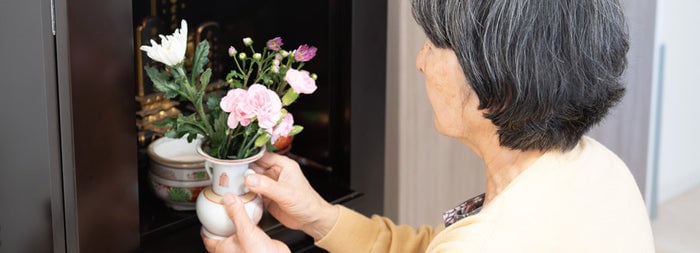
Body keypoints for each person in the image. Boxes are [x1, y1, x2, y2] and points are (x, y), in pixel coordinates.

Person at [202, 0, 655, 252]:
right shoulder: (605, 169)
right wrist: (321, 218)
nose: (420, 62)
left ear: (500, 83)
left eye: (435, 44)